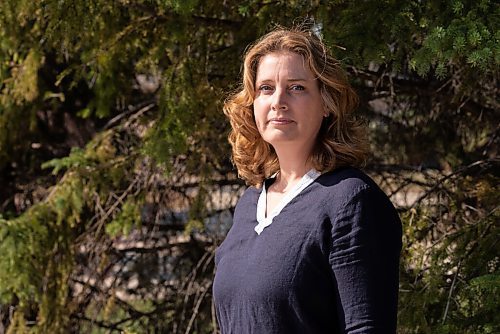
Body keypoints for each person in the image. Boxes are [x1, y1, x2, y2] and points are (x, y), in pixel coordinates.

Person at [213, 26, 402, 334]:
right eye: (265, 88)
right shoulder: (249, 204)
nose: (278, 101)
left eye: (297, 87)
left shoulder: (351, 202)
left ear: (326, 103)